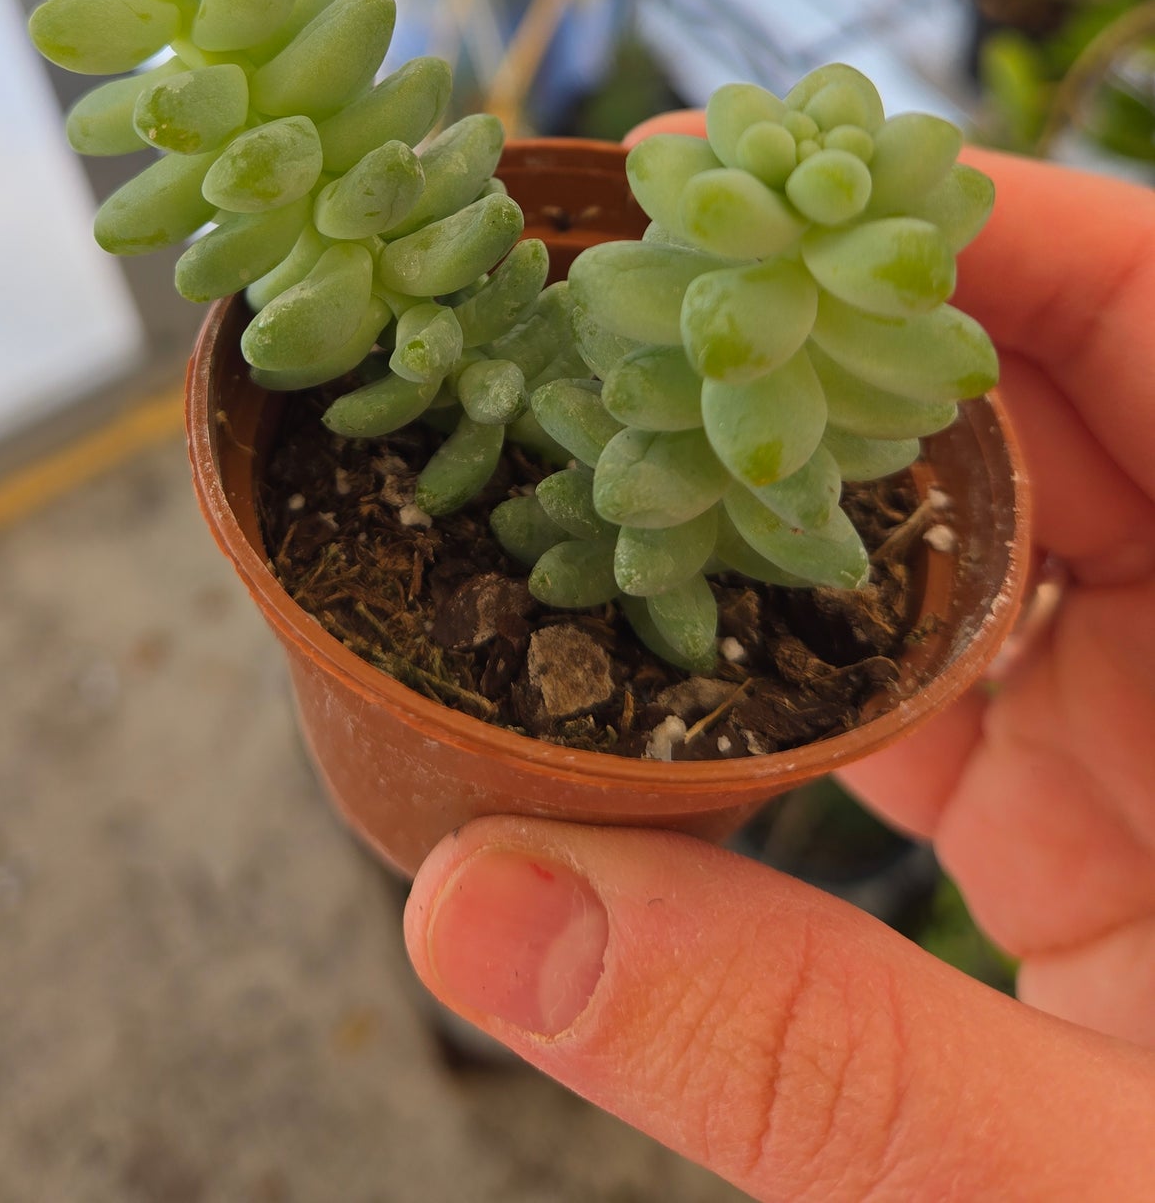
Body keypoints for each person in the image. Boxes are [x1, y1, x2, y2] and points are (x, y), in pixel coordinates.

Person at [404, 119, 1155, 1202]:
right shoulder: (666, 328)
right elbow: (614, 440)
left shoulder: (798, 399)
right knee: (594, 493)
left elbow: (807, 454)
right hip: (611, 483)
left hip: (688, 521)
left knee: (666, 523)